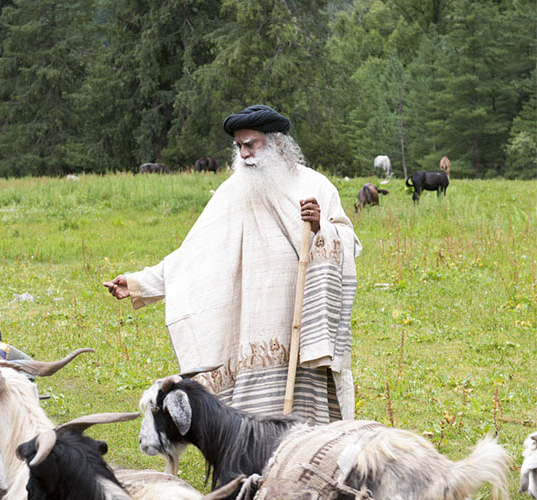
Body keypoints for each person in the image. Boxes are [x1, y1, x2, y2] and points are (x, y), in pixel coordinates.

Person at [103, 105, 361, 424]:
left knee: (304, 419)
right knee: (253, 423)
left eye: (250, 144)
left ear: (277, 143)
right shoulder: (232, 192)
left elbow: (348, 241)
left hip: (300, 321)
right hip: (252, 324)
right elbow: (193, 255)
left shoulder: (316, 186)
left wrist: (322, 226)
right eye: (238, 146)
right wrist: (140, 283)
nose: (243, 154)